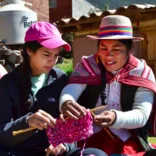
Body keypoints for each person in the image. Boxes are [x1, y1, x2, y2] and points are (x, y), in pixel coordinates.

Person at [0, 22, 107, 156]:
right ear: (29, 51)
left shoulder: (60, 78)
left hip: (55, 152)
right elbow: (2, 134)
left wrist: (65, 145)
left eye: (56, 55)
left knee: (96, 154)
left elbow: (72, 125)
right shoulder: (8, 83)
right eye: (46, 54)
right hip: (19, 151)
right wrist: (27, 122)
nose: (52, 61)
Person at [59, 15, 156, 156]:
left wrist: (115, 118)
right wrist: (66, 102)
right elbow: (71, 90)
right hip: (88, 137)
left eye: (116, 49)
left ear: (129, 50)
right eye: (103, 48)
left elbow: (141, 114)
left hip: (128, 140)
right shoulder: (87, 67)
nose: (108, 56)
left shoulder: (141, 72)